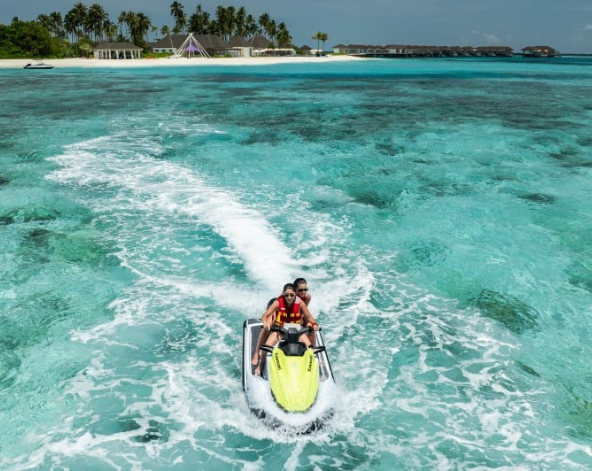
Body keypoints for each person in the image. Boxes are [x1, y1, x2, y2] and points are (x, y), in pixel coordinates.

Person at [252, 283, 319, 376]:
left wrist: (315, 325)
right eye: (286, 295)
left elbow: (311, 319)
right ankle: (261, 364)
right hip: (280, 330)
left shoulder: (300, 303)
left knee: (310, 349)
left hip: (297, 331)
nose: (289, 297)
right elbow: (265, 315)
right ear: (283, 294)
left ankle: (311, 368)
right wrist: (265, 322)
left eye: (292, 295)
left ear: (295, 294)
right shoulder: (278, 302)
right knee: (266, 347)